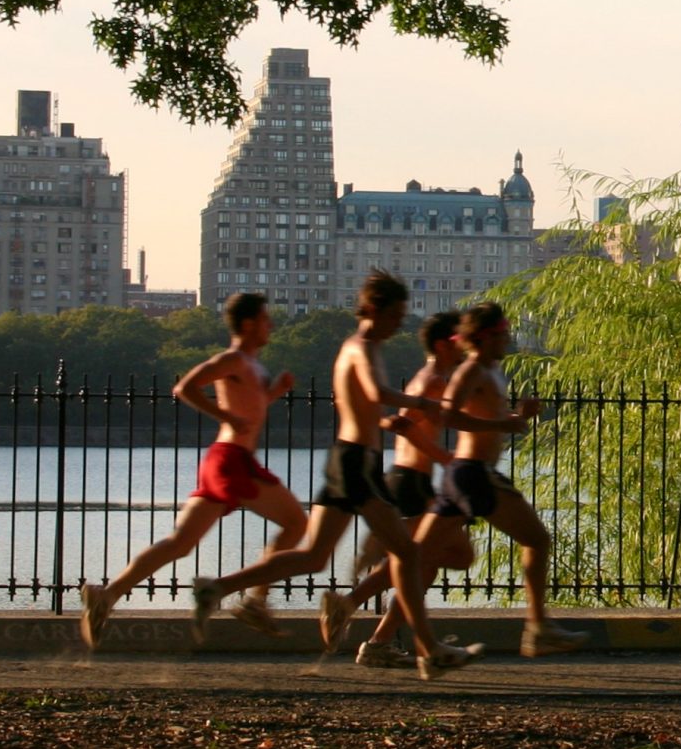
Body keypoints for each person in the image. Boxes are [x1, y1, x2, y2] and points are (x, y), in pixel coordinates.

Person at [190, 270, 481, 679]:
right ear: (374, 310)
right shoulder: (361, 347)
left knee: (314, 556)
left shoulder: (362, 346)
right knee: (411, 553)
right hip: (357, 461)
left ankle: (217, 587)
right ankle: (428, 649)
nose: (401, 321)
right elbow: (377, 392)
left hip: (346, 459)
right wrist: (423, 403)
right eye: (395, 313)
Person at [78, 291, 304, 650]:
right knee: (297, 523)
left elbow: (249, 407)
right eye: (265, 319)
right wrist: (224, 415)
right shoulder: (231, 359)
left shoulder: (252, 365)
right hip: (231, 460)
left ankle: (107, 595)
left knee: (181, 543)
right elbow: (185, 387)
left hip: (230, 459)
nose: (271, 325)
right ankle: (255, 601)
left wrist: (274, 392)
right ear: (248, 324)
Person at [410, 301, 588, 657]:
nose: (508, 339)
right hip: (473, 474)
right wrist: (501, 423)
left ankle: (365, 621)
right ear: (485, 337)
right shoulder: (471, 369)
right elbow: (448, 416)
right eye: (503, 334)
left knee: (415, 556)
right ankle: (538, 629)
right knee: (537, 539)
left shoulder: (490, 370)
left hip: (466, 474)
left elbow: (487, 416)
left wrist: (517, 415)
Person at [319, 309, 478, 661]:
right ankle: (350, 605)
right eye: (457, 341)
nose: (463, 347)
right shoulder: (433, 380)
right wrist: (445, 458)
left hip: (414, 481)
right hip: (409, 482)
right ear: (441, 344)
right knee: (444, 556)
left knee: (428, 563)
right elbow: (404, 425)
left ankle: (379, 643)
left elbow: (395, 422)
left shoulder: (432, 379)